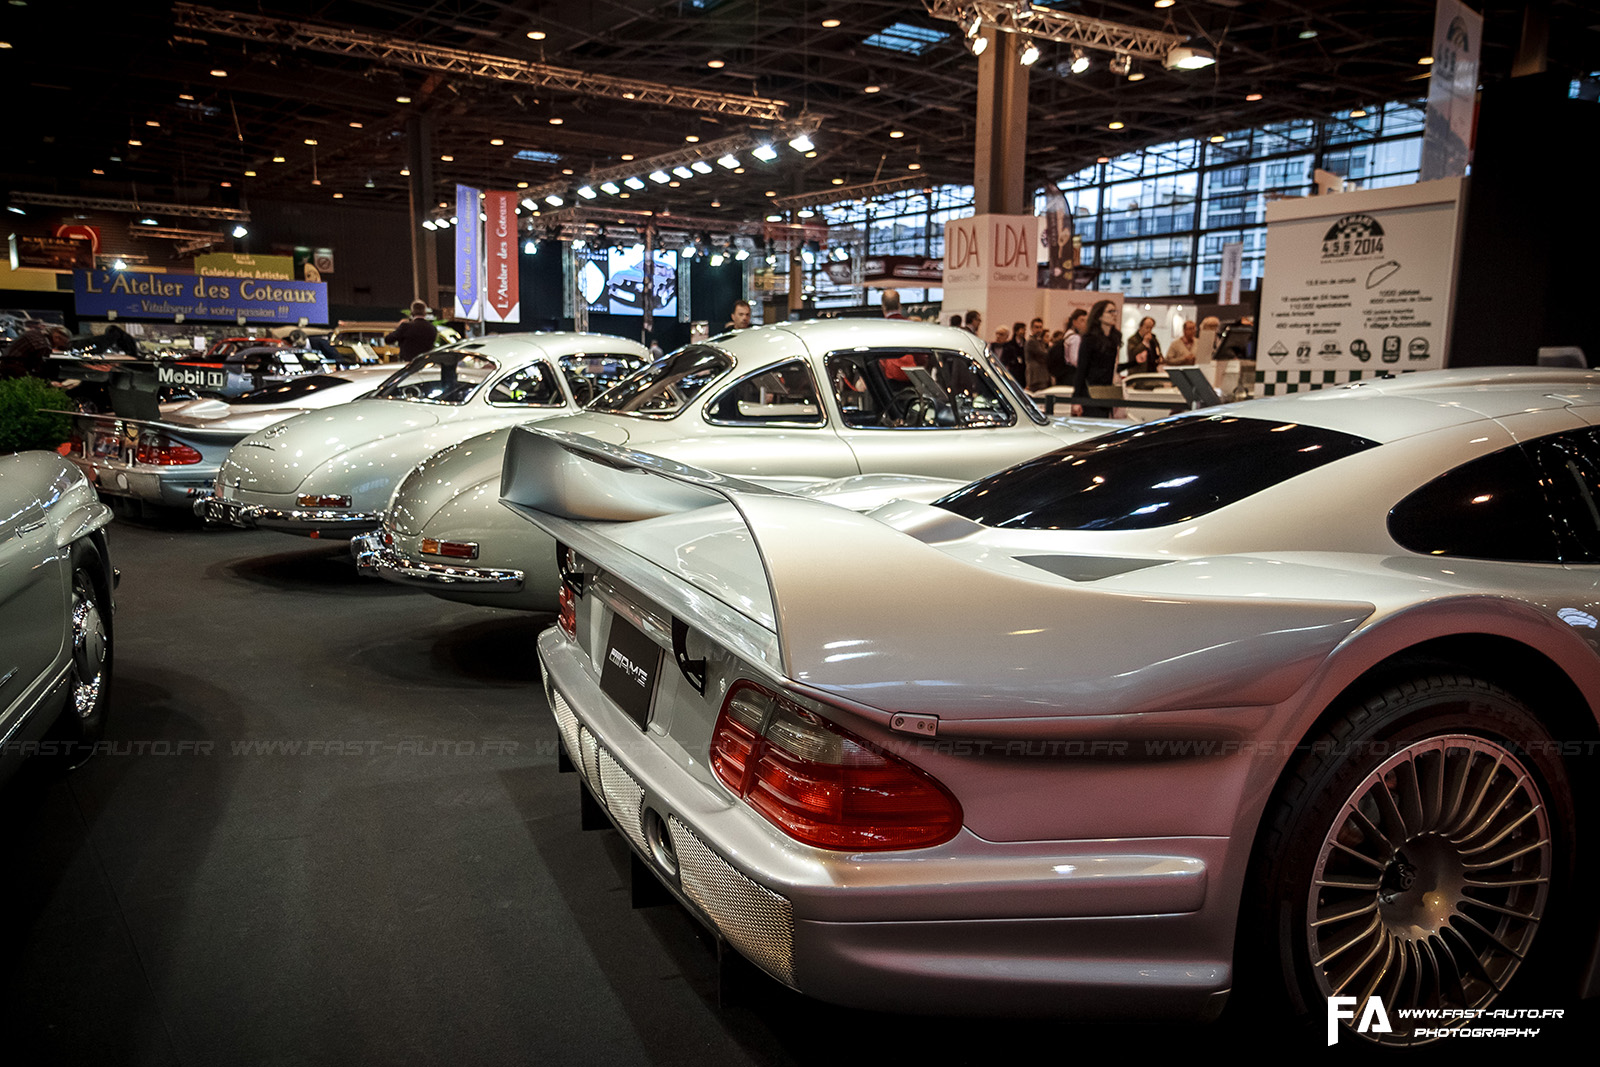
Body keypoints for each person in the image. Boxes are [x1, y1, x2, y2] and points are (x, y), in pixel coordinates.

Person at [1073, 299, 1120, 417]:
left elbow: (1111, 367)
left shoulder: (1113, 339)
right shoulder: (1089, 339)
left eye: (1115, 311)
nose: (1114, 315)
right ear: (1099, 316)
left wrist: (1135, 361)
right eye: (1110, 311)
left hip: (1106, 395)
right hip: (1090, 394)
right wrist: (1076, 400)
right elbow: (1081, 370)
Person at [1024, 318, 1051, 391]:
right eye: (1036, 327)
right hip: (1035, 377)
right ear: (1031, 328)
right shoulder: (1031, 342)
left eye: (1040, 327)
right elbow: (1042, 355)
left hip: (1041, 376)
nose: (1039, 330)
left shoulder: (1039, 341)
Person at [1062, 309, 1087, 380]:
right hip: (1072, 374)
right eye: (1082, 320)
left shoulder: (1067, 334)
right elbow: (1074, 360)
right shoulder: (1075, 337)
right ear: (1074, 322)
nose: (1085, 323)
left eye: (1086, 320)